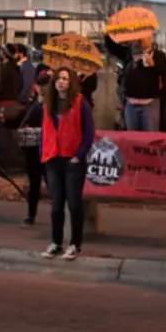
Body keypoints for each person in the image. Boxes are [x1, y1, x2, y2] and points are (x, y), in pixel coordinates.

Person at [39, 67, 95, 260]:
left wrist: (79, 156)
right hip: (53, 159)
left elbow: (88, 133)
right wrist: (44, 154)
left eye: (65, 79)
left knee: (74, 203)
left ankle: (75, 244)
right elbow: (45, 131)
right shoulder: (48, 104)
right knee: (56, 205)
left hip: (73, 160)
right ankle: (56, 243)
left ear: (71, 82)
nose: (61, 82)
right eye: (58, 79)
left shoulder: (81, 104)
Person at [104, 35, 166, 132]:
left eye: (144, 36)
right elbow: (112, 47)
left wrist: (153, 65)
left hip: (150, 103)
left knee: (149, 139)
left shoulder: (157, 55)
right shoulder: (129, 53)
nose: (140, 39)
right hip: (131, 103)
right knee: (132, 138)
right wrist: (109, 31)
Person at [19, 76, 50, 226]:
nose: (42, 89)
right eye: (40, 86)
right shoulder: (33, 103)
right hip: (32, 147)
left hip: (48, 147)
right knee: (34, 183)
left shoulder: (53, 105)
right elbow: (25, 119)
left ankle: (59, 212)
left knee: (51, 182)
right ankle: (31, 215)